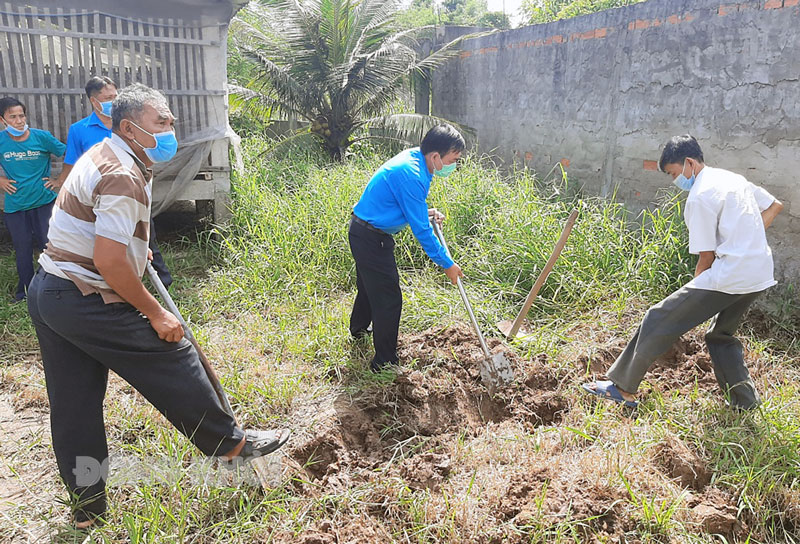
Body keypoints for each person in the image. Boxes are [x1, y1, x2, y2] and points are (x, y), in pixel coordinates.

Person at [27, 83, 289, 528]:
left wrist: (131, 247)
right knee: (173, 349)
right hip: (84, 296)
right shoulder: (123, 174)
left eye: (171, 121)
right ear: (130, 127)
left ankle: (87, 511)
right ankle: (229, 443)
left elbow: (92, 227)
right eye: (161, 123)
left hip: (49, 289)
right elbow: (109, 262)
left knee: (74, 408)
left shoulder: (106, 154)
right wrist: (155, 311)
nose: (172, 130)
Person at [582, 134, 783, 411]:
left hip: (731, 274)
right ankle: (745, 402)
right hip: (759, 272)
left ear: (689, 163)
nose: (675, 181)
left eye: (674, 173)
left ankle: (622, 388)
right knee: (721, 336)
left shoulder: (700, 196)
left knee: (657, 317)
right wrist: (747, 237)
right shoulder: (732, 178)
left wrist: (691, 297)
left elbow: (706, 257)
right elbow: (775, 205)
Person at [349, 124, 465, 372]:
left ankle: (359, 331)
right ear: (436, 156)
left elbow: (406, 204)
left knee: (370, 287)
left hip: (364, 231)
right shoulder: (411, 174)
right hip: (371, 238)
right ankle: (385, 363)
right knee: (388, 298)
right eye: (453, 160)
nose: (454, 165)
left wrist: (426, 212)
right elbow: (422, 230)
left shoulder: (417, 159)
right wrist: (447, 264)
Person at [57, 75, 173, 289]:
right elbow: (73, 163)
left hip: (133, 194)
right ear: (94, 101)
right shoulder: (81, 130)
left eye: (115, 95)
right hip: (106, 197)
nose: (113, 100)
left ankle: (161, 281)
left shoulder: (131, 125)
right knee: (111, 246)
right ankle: (116, 285)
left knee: (145, 239)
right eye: (107, 97)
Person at [0, 97, 66, 302]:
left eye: (22, 115)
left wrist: (59, 179)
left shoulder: (41, 137)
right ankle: (25, 292)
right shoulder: (2, 141)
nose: (19, 121)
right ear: (2, 120)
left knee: (50, 245)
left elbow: (70, 154)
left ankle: (54, 289)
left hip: (44, 202)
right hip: (15, 205)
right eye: (13, 117)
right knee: (23, 247)